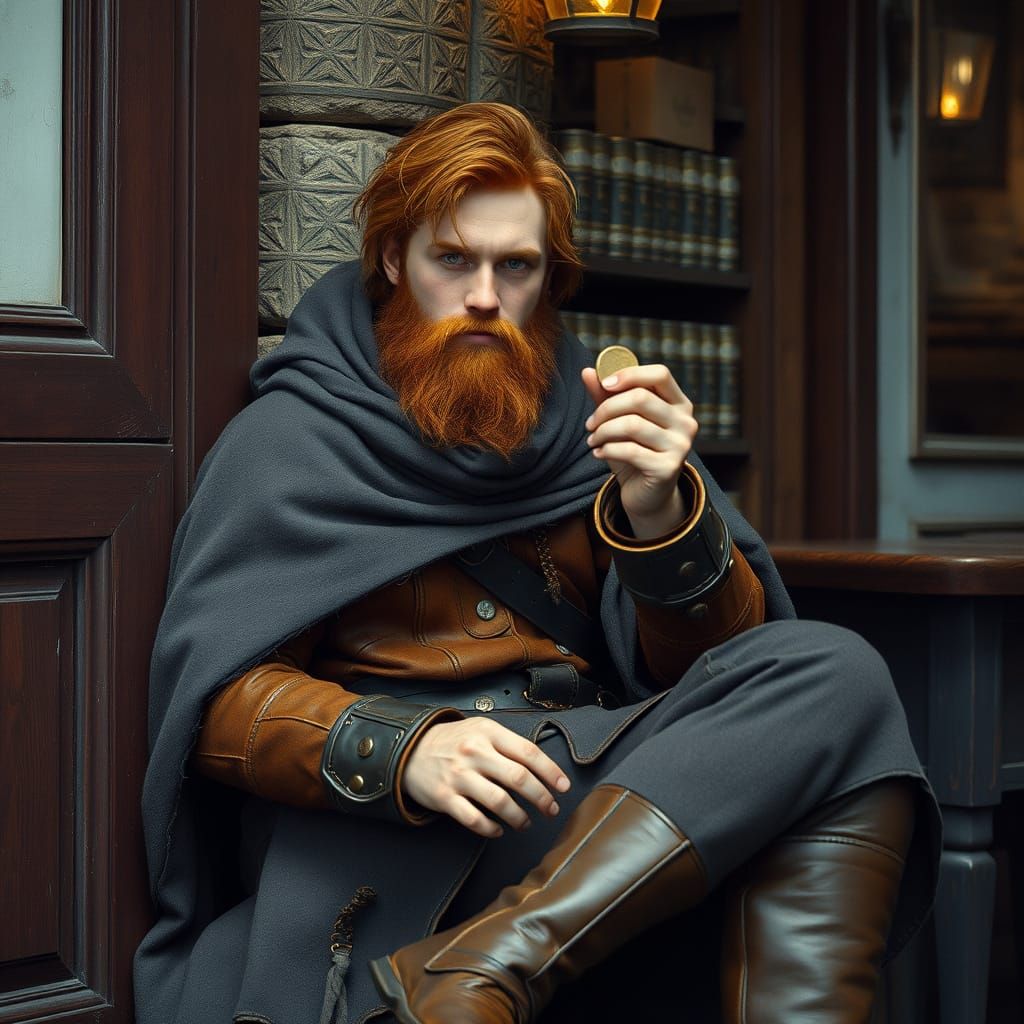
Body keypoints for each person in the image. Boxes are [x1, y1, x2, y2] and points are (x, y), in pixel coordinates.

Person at [134, 102, 940, 1024]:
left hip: (593, 810)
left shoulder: (599, 423)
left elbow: (727, 679)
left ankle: (475, 975)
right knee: (844, 738)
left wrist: (661, 513)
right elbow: (217, 706)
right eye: (454, 260)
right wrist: (404, 749)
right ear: (395, 260)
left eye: (514, 266)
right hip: (422, 829)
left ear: (547, 278)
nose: (485, 295)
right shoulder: (287, 439)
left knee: (836, 674)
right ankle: (467, 972)